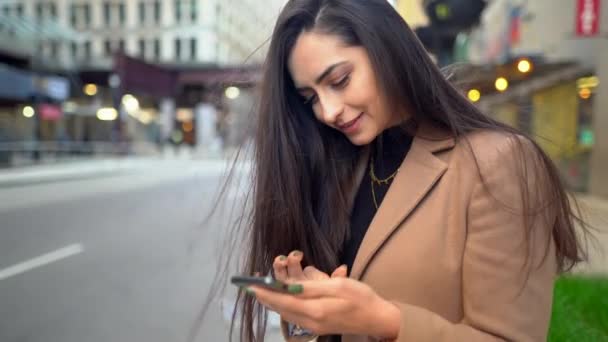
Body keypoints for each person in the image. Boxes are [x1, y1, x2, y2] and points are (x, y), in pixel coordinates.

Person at [215, 1, 591, 341]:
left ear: (388, 51)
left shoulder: (498, 163)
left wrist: (383, 320)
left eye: (340, 80)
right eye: (310, 98)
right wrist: (310, 312)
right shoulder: (344, 164)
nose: (328, 111)